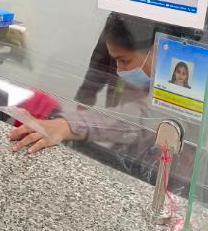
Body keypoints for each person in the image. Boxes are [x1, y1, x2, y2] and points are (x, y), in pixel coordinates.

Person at [8, 12, 158, 154]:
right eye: (115, 61)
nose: (119, 70)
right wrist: (86, 98)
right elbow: (99, 63)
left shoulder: (171, 81)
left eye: (124, 60)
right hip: (123, 138)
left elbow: (144, 116)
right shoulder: (119, 22)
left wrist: (67, 125)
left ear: (155, 50)